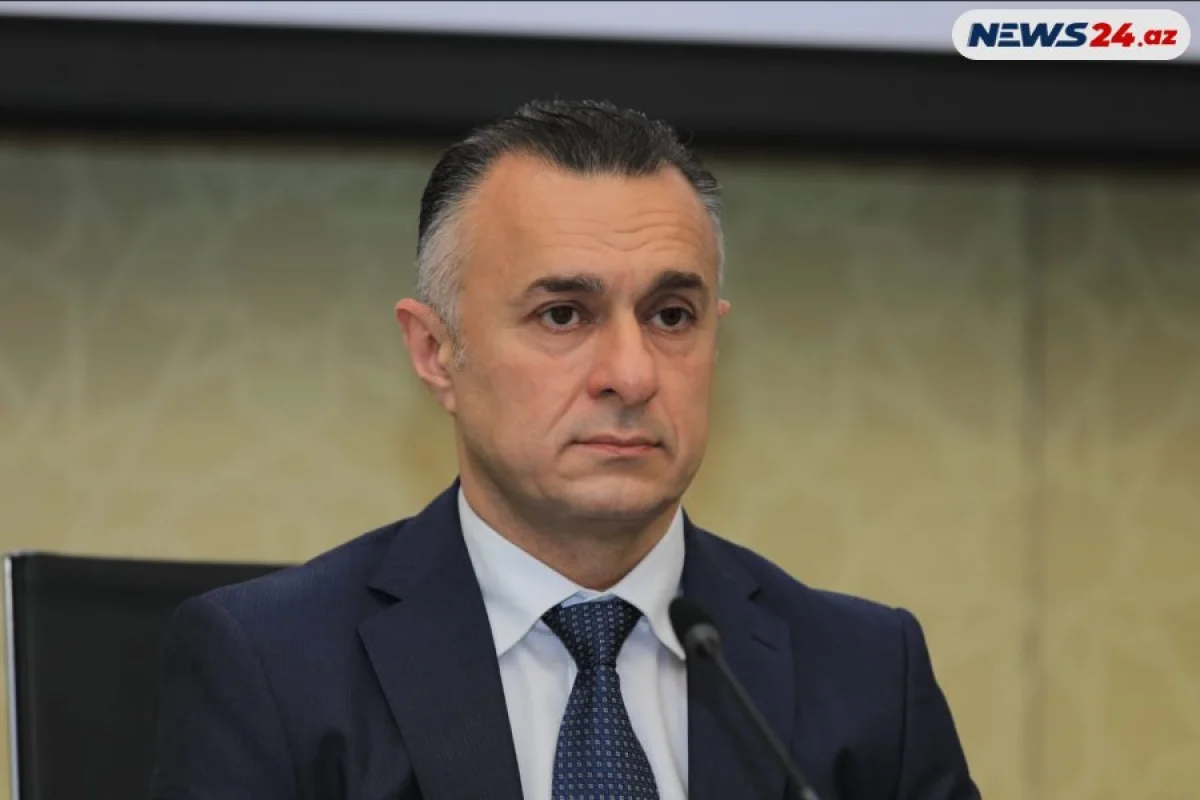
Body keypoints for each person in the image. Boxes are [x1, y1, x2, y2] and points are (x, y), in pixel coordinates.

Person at [151, 99, 981, 800]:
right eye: (562, 315)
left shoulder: (868, 674)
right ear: (436, 352)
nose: (632, 375)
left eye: (671, 317)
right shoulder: (274, 668)